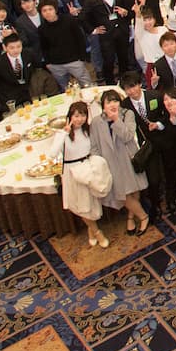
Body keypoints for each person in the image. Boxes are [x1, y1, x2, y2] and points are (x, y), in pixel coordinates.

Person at [90, 89, 152, 235]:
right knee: (123, 195)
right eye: (108, 102)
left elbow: (128, 136)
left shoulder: (127, 114)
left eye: (115, 101)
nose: (112, 104)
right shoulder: (96, 122)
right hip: (110, 164)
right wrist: (99, 164)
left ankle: (131, 217)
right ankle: (143, 216)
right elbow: (93, 145)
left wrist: (116, 120)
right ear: (102, 105)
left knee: (133, 190)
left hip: (128, 159)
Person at [60, 100, 113, 248]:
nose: (79, 119)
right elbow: (53, 153)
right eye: (76, 116)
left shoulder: (87, 131)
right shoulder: (64, 134)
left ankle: (91, 230)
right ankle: (97, 232)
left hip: (88, 170)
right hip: (73, 172)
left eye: (82, 115)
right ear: (70, 116)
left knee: (91, 204)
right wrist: (62, 135)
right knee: (82, 206)